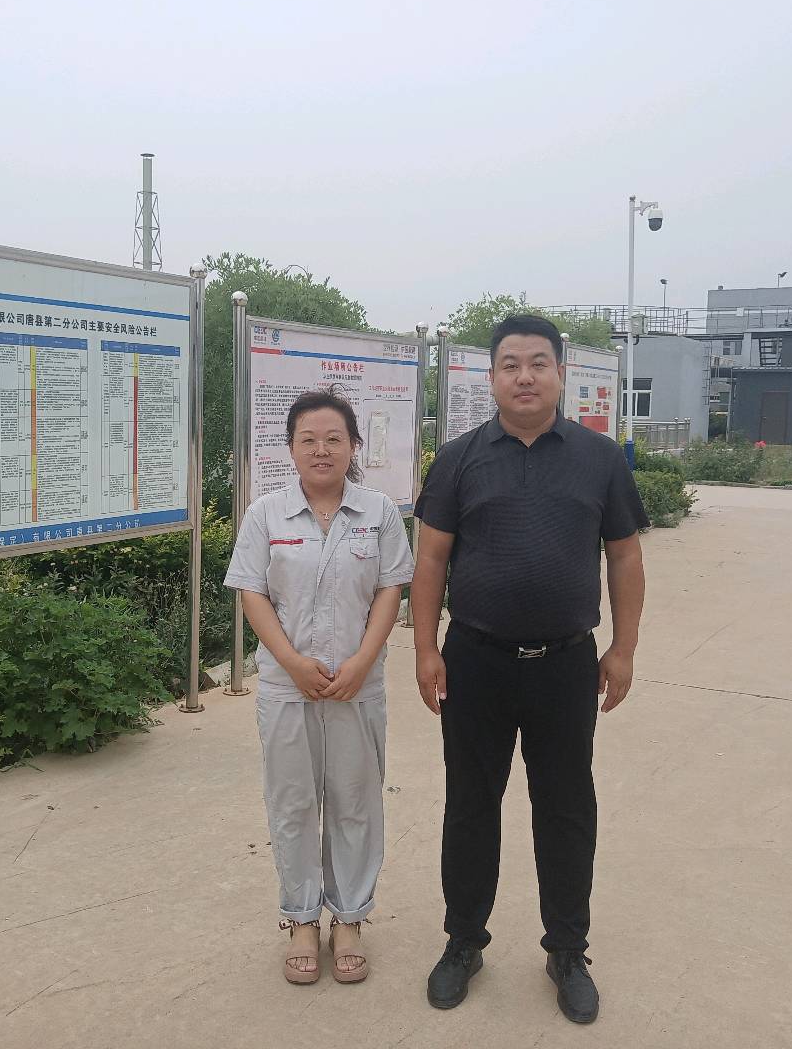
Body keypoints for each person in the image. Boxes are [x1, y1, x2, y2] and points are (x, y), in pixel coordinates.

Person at [410, 314, 649, 1024]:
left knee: (566, 809)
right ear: (490, 377)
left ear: (560, 374)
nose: (524, 376)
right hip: (475, 662)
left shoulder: (599, 458)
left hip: (567, 665)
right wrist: (425, 649)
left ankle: (567, 951)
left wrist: (624, 648)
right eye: (510, 364)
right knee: (470, 805)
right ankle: (464, 942)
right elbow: (430, 559)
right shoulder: (458, 459)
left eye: (538, 363)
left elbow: (625, 557)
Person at [224, 389, 414, 985]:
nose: (321, 450)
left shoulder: (379, 513)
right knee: (293, 803)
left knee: (355, 799)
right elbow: (252, 592)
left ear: (354, 446)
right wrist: (292, 662)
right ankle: (302, 917)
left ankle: (350, 917)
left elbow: (390, 590)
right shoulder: (266, 514)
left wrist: (362, 661)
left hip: (359, 683)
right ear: (291, 448)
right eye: (308, 439)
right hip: (287, 686)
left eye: (334, 439)